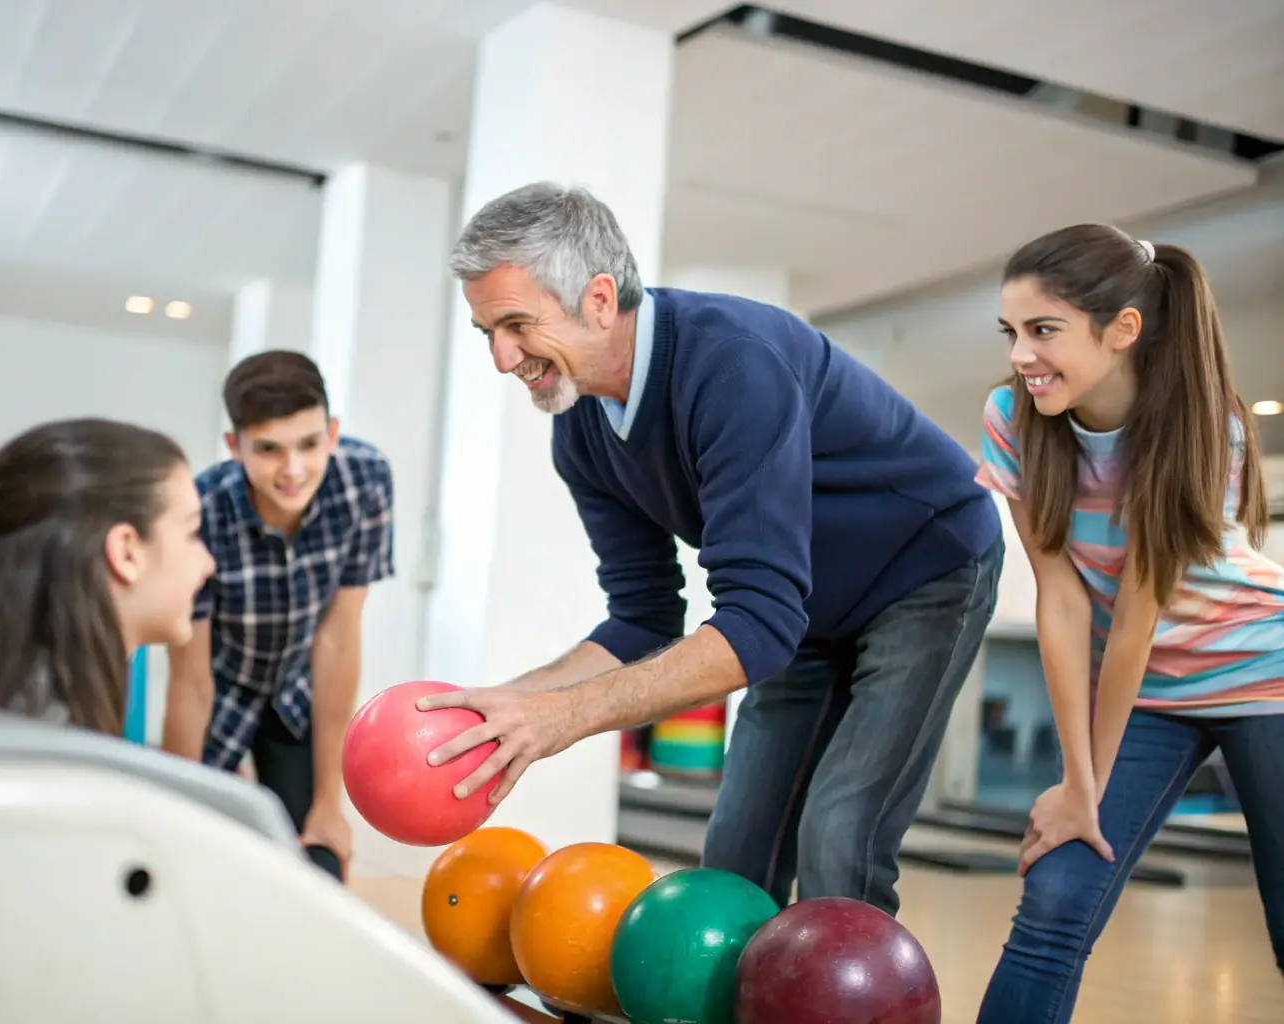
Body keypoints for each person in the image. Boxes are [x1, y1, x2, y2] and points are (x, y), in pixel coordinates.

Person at [417, 181, 1004, 916]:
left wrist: (565, 718)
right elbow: (642, 617)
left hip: (927, 568)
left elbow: (755, 624)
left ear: (598, 299)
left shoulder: (733, 362)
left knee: (839, 834)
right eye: (487, 334)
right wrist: (515, 702)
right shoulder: (579, 427)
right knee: (735, 858)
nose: (503, 359)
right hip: (805, 608)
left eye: (516, 325)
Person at [973, 224, 1284, 1021]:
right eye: (1010, 332)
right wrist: (1076, 784)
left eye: (1043, 331)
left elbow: (1137, 615)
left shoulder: (1202, 421)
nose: (1019, 354)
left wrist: (1086, 786)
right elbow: (1063, 600)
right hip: (1147, 691)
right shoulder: (1012, 417)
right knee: (1053, 899)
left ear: (1121, 330)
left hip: (1261, 672)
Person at [162, 350, 394, 882]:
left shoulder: (366, 483)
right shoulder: (200, 509)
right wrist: (177, 806)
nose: (292, 470)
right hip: (220, 691)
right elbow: (190, 682)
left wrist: (329, 802)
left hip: (297, 693)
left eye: (309, 445)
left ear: (332, 434)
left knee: (318, 866)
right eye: (267, 450)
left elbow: (338, 639)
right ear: (234, 447)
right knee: (190, 860)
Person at [0, 419, 215, 730]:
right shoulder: (46, 736)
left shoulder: (4, 694)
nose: (209, 563)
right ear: (126, 552)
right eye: (192, 533)